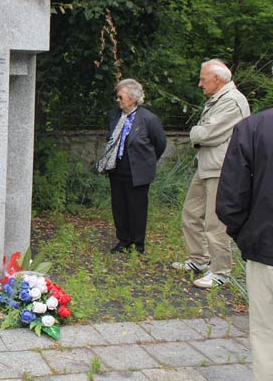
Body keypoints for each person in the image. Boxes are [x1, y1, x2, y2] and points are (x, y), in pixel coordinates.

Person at [171, 59, 249, 288]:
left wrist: (195, 132)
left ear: (217, 79)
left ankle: (220, 271)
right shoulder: (219, 99)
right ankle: (199, 260)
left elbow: (205, 134)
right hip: (206, 165)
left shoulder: (232, 101)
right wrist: (199, 133)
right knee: (191, 214)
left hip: (221, 168)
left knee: (216, 223)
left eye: (203, 79)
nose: (200, 84)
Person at [216, 109, 273, 381]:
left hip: (266, 249)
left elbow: (230, 201)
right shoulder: (252, 127)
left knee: (267, 333)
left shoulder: (255, 127)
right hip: (265, 246)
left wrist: (248, 237)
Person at [103, 79, 166, 254]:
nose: (118, 100)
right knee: (119, 207)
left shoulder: (148, 119)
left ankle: (137, 244)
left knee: (137, 208)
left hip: (138, 171)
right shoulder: (114, 115)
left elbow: (160, 144)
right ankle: (123, 240)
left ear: (132, 98)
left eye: (121, 96)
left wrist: (146, 161)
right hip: (116, 169)